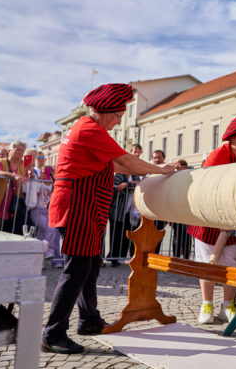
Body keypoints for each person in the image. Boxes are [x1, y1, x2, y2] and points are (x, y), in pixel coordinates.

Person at [41, 83, 176, 355]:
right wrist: (161, 170)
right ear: (104, 111)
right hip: (78, 205)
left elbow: (113, 163)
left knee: (90, 266)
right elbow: (125, 162)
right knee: (77, 269)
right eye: (117, 116)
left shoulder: (89, 128)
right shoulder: (90, 129)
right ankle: (52, 333)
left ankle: (89, 320)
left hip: (86, 207)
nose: (118, 122)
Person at [188, 114, 236, 325]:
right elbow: (206, 186)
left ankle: (228, 307)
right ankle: (206, 305)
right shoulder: (217, 155)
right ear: (232, 138)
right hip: (209, 220)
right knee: (207, 264)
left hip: (235, 220)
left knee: (231, 265)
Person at [0, 141, 28, 234]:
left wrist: (31, 174)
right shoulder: (0, 161)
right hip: (0, 202)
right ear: (9, 150)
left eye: (22, 150)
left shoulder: (24, 165)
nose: (20, 152)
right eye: (17, 149)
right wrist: (13, 175)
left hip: (15, 204)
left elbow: (27, 180)